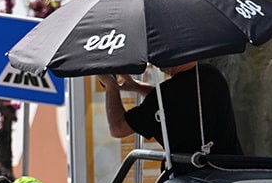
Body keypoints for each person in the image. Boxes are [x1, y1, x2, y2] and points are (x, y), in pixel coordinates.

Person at [104, 62, 244, 156]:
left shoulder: (166, 96)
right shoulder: (211, 75)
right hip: (232, 175)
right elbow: (180, 100)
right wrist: (136, 86)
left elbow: (118, 128)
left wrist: (111, 87)